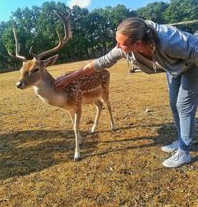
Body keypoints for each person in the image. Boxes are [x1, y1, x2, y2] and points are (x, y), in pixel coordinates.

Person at [54, 18, 198, 168]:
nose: (117, 46)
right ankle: (181, 139)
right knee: (173, 104)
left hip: (193, 64)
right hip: (173, 67)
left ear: (137, 44)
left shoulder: (170, 42)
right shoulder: (125, 47)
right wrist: (70, 77)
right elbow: (99, 63)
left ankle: (184, 152)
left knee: (183, 106)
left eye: (121, 44)